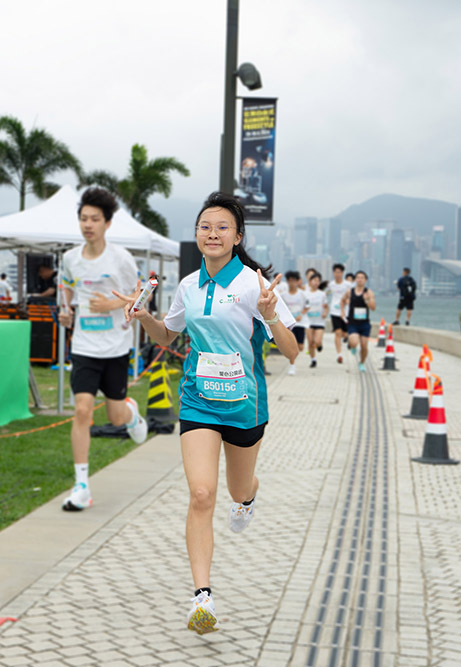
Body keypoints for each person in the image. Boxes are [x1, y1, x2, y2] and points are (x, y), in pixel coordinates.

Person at [112, 191, 298, 636]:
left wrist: (271, 316)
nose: (212, 234)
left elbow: (292, 352)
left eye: (221, 228)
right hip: (198, 400)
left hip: (245, 405)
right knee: (200, 494)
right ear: (197, 234)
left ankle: (249, 496)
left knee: (236, 488)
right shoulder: (189, 286)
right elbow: (168, 336)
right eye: (205, 227)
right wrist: (142, 315)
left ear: (237, 237)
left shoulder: (255, 286)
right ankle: (202, 598)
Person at [56, 187, 148, 512]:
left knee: (114, 416)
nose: (88, 224)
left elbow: (142, 294)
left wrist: (111, 304)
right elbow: (67, 287)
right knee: (82, 411)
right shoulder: (70, 258)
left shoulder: (121, 258)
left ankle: (131, 413)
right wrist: (66, 311)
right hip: (84, 347)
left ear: (107, 223)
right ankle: (81, 486)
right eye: (84, 218)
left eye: (95, 219)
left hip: (116, 347)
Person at [341, 270, 376, 371]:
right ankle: (352, 346)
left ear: (365, 280)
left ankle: (362, 363)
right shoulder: (350, 292)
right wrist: (342, 311)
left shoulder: (369, 292)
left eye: (362, 278)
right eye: (358, 278)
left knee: (364, 346)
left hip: (364, 323)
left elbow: (373, 308)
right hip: (353, 323)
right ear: (355, 280)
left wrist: (367, 300)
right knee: (354, 342)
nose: (360, 280)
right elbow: (342, 301)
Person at [281, 270, 307, 376]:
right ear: (287, 281)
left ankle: (293, 357)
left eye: (294, 281)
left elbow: (307, 306)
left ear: (297, 281)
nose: (292, 283)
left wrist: (301, 314)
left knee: (300, 347)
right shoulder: (283, 295)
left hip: (300, 323)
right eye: (290, 281)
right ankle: (292, 365)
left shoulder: (302, 294)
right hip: (289, 324)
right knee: (292, 345)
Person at [327, 263, 352, 364]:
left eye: (339, 272)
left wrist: (348, 301)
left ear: (342, 273)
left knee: (345, 333)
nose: (337, 274)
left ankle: (347, 338)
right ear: (333, 273)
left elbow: (352, 296)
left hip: (346, 312)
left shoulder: (348, 285)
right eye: (336, 272)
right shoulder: (331, 284)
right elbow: (325, 293)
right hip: (334, 311)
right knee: (337, 333)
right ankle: (339, 355)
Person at [304, 271, 329, 368]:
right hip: (308, 321)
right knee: (310, 341)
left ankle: (319, 345)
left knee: (317, 341)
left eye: (318, 281)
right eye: (314, 280)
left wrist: (325, 313)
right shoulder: (305, 294)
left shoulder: (322, 294)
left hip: (319, 321)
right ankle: (313, 360)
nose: (316, 282)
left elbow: (326, 307)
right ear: (310, 281)